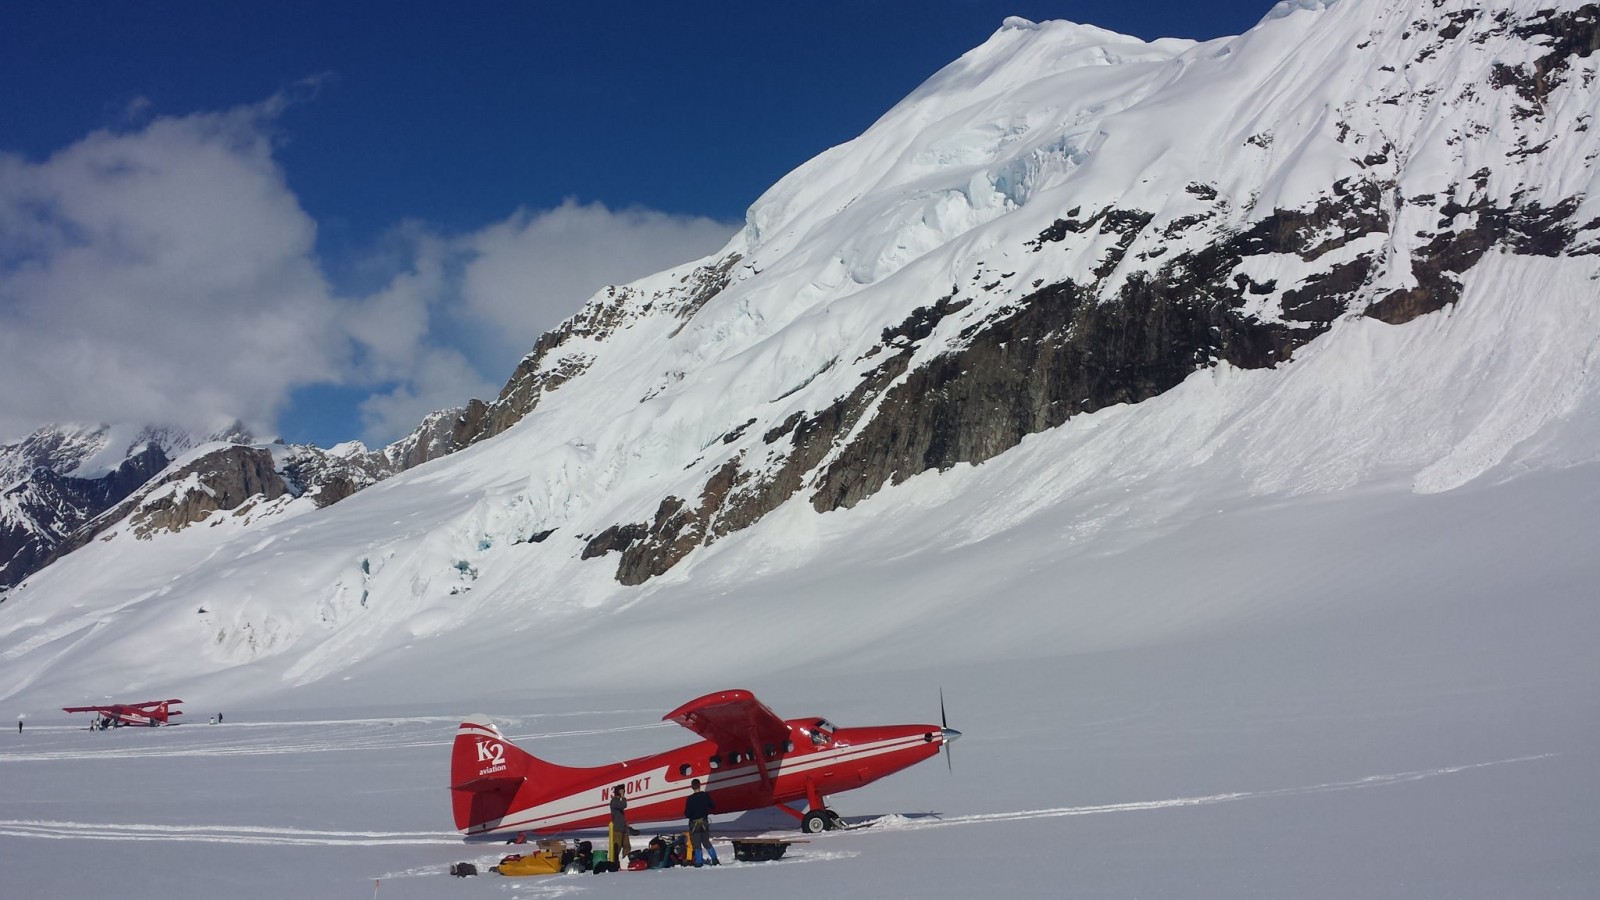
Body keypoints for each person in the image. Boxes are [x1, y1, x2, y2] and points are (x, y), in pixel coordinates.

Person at [684, 778, 719, 866]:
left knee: (696, 844)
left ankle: (699, 862)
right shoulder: (705, 795)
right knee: (706, 842)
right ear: (700, 785)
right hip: (704, 822)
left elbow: (687, 814)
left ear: (692, 787)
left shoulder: (690, 799)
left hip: (694, 824)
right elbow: (712, 806)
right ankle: (714, 859)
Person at [609, 784, 631, 864]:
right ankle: (614, 861)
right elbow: (623, 805)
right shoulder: (614, 801)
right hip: (617, 828)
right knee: (617, 845)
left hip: (623, 827)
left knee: (626, 845)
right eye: (622, 790)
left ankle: (626, 860)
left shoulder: (619, 801)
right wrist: (623, 796)